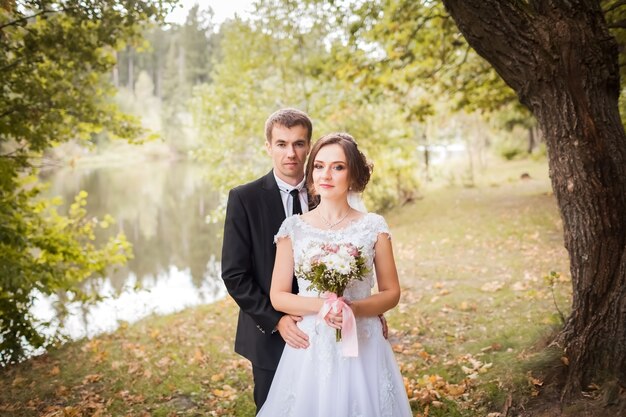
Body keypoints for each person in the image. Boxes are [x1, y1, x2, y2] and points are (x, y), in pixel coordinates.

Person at [257, 133, 412, 416]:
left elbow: (391, 292)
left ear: (353, 175)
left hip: (363, 341)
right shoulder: (294, 228)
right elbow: (278, 296)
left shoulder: (373, 226)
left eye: (338, 167)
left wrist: (353, 308)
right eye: (319, 165)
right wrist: (325, 307)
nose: (326, 174)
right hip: (311, 343)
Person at [221, 108, 314, 412]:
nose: (291, 153)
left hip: (325, 327)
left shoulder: (326, 191)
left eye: (299, 143)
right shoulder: (244, 198)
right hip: (270, 336)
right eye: (282, 144)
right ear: (268, 147)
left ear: (309, 146)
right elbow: (235, 274)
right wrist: (277, 321)